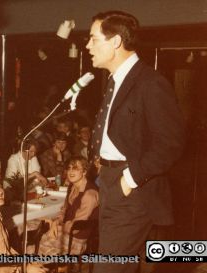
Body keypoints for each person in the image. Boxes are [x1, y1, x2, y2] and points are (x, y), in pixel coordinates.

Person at [86, 11, 185, 273]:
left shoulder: (150, 83)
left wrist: (128, 180)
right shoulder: (115, 81)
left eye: (93, 39)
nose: (88, 46)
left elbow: (171, 143)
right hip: (109, 180)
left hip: (131, 187)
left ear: (116, 42)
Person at [0, 175, 47, 273]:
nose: (0, 192)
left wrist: (26, 263)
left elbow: (6, 251)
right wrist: (26, 268)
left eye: (0, 187)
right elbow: (2, 261)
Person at [35, 157, 98, 256]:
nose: (71, 171)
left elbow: (77, 225)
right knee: (35, 245)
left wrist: (57, 226)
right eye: (69, 168)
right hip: (66, 232)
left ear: (84, 171)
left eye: (76, 168)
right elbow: (64, 210)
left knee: (40, 249)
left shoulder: (90, 194)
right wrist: (56, 221)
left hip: (76, 240)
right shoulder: (72, 187)